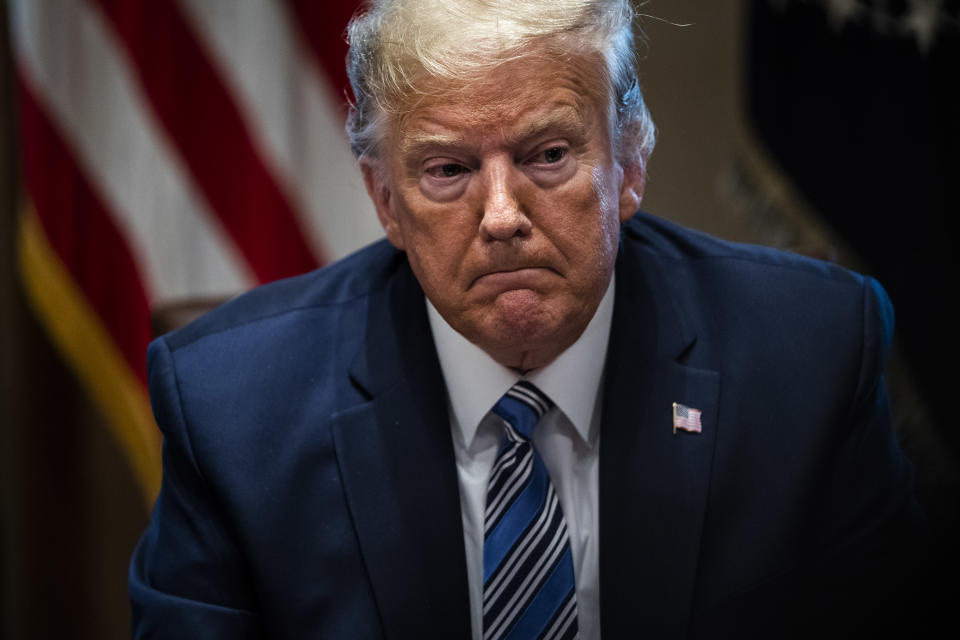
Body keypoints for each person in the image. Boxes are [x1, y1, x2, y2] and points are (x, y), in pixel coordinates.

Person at [129, 0, 925, 637]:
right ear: (385, 203)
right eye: (448, 170)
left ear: (630, 162)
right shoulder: (231, 410)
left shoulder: (810, 355)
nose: (502, 215)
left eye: (548, 155)